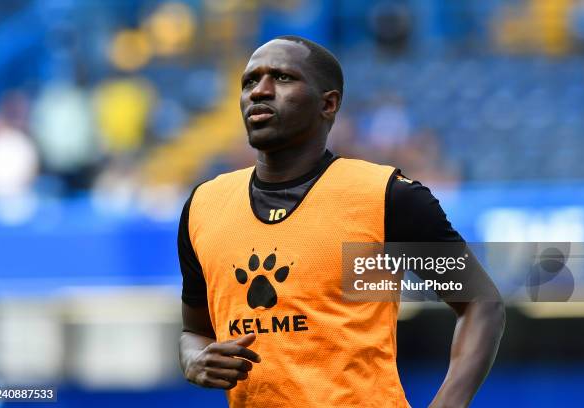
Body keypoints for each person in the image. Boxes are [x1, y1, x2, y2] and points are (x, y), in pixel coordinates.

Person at [178, 35, 505, 408]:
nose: (260, 91)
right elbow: (194, 331)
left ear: (328, 104)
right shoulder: (204, 205)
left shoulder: (385, 197)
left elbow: (481, 303)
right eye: (250, 81)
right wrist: (194, 361)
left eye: (282, 78)